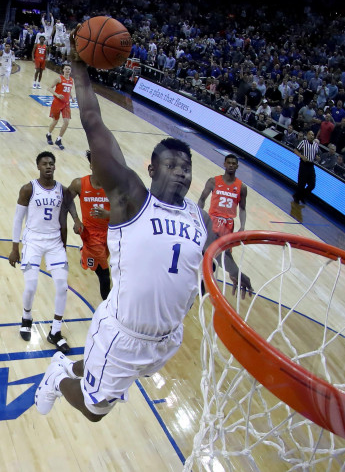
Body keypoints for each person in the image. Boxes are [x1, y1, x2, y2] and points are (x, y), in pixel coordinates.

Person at [34, 35, 253, 420]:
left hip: (167, 339)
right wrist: (79, 67)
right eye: (171, 165)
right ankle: (55, 375)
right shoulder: (131, 196)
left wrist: (236, 271)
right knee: (94, 409)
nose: (181, 172)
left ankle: (80, 370)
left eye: (186, 167)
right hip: (123, 330)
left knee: (99, 376)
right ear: (151, 169)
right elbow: (92, 122)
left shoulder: (197, 217)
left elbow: (217, 249)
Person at [8, 152, 71, 353]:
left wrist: (65, 245)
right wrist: (15, 247)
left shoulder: (61, 190)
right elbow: (18, 219)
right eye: (44, 163)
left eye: (51, 163)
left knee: (62, 286)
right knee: (31, 286)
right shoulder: (28, 189)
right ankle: (26, 317)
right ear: (38, 166)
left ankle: (56, 331)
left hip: (54, 242)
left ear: (55, 166)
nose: (48, 166)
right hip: (33, 241)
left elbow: (64, 219)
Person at [67, 150, 111, 300]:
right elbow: (66, 200)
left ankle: (84, 253)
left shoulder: (114, 186)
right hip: (92, 235)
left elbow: (129, 211)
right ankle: (108, 308)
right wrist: (76, 220)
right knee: (104, 275)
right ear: (91, 165)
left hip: (112, 232)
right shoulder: (79, 183)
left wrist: (108, 215)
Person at [197, 154, 248, 237]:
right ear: (224, 164)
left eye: (233, 163)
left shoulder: (242, 187)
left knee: (226, 250)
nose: (231, 165)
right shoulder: (213, 181)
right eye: (229, 163)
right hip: (212, 220)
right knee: (206, 247)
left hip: (228, 224)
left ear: (237, 166)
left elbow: (242, 208)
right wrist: (198, 215)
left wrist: (242, 226)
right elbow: (202, 199)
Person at [46, 63, 75, 150]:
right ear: (63, 70)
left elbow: (69, 91)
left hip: (66, 103)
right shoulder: (59, 79)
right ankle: (48, 134)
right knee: (55, 121)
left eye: (69, 69)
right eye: (66, 69)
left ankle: (59, 139)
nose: (67, 70)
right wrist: (57, 95)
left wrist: (72, 97)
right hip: (57, 102)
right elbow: (49, 88)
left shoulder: (71, 80)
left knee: (66, 122)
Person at [292, 130, 319, 205]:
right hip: (304, 164)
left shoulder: (316, 145)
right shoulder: (303, 142)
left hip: (311, 165)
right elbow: (295, 150)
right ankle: (297, 198)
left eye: (313, 135)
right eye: (310, 134)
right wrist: (301, 156)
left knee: (312, 184)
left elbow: (315, 154)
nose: (311, 136)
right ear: (307, 135)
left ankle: (300, 195)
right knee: (302, 183)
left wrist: (317, 157)